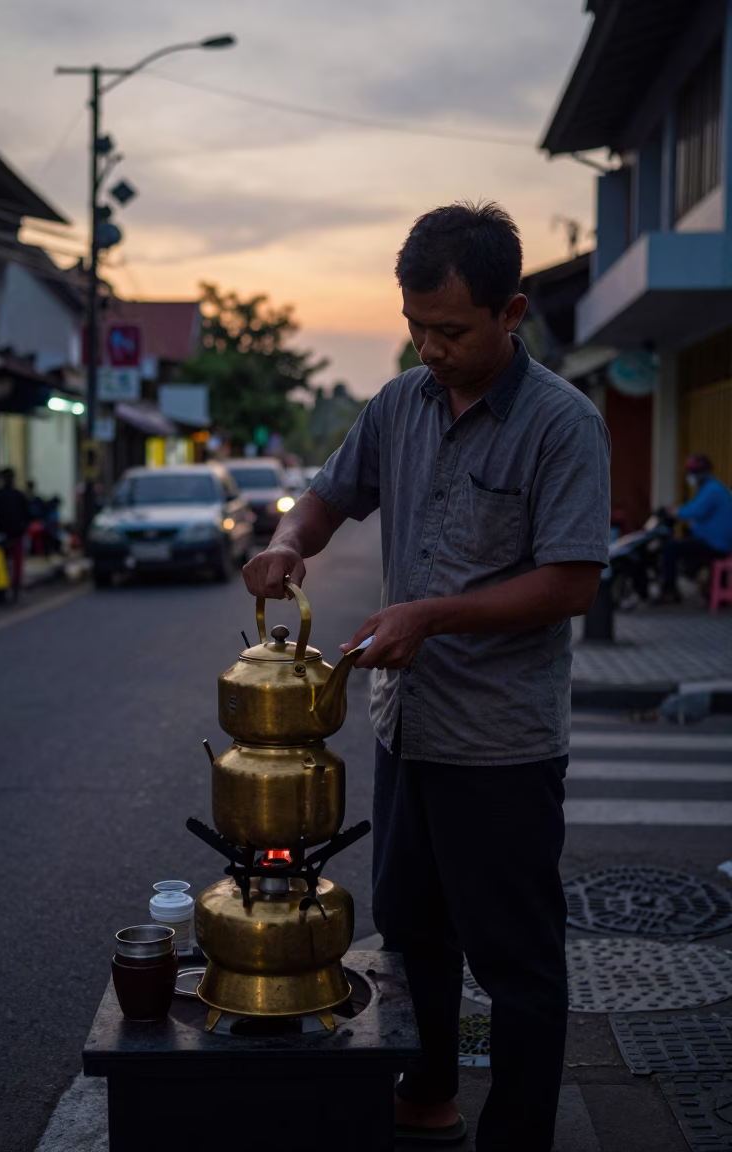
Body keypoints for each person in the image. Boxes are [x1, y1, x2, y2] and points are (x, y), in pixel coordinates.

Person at [243, 202, 610, 1152]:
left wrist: (431, 614)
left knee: (517, 960)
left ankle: (518, 1134)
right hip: (409, 728)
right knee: (413, 932)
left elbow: (571, 582)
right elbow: (328, 495)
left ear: (512, 311)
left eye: (450, 331)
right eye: (416, 329)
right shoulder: (398, 405)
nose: (431, 350)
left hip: (501, 741)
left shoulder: (563, 425)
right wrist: (287, 543)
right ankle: (430, 1089)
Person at [659, 454, 732, 603]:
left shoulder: (713, 489)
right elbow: (694, 506)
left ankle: (670, 591)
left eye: (693, 472)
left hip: (714, 545)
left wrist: (674, 512)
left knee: (670, 548)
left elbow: (694, 510)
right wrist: (678, 510)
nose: (690, 476)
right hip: (711, 541)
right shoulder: (709, 488)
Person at [0, 468, 30, 597]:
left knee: (3, 562)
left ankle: (5, 587)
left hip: (2, 535)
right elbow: (27, 515)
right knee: (14, 563)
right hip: (14, 534)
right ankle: (13, 587)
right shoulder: (18, 495)